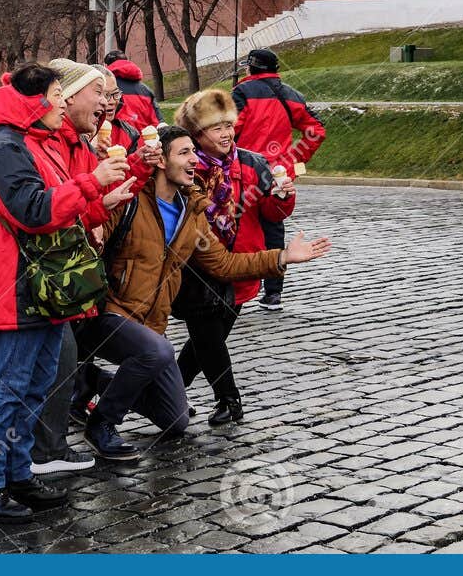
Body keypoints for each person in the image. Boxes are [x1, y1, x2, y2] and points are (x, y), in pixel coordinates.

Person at [78, 125, 329, 462]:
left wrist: (282, 257)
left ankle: (92, 379)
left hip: (152, 322)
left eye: (193, 152)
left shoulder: (192, 212)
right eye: (185, 153)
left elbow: (223, 265)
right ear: (161, 160)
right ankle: (102, 424)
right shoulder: (129, 199)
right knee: (156, 351)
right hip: (111, 312)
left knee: (176, 419)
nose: (195, 159)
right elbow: (89, 233)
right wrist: (95, 220)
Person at [0, 64, 131, 524]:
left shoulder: (32, 141)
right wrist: (94, 183)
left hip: (46, 286)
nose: (61, 102)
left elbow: (59, 201)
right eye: (57, 94)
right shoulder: (7, 146)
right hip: (19, 285)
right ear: (35, 101)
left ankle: (17, 472)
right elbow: (34, 211)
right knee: (8, 387)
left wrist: (101, 193)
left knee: (36, 384)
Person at [172, 88, 296, 426]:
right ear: (197, 134)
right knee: (206, 336)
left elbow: (271, 214)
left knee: (208, 340)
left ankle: (171, 394)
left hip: (241, 265)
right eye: (217, 128)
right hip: (196, 266)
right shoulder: (185, 165)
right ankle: (228, 399)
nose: (226, 134)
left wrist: (282, 197)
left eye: (229, 126)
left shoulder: (253, 162)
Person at [232, 47, 325, 311]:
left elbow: (231, 130)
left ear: (250, 69)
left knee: (236, 225)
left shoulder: (241, 93)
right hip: (277, 173)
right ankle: (274, 292)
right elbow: (316, 130)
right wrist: (295, 160)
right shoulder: (291, 95)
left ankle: (234, 285)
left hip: (246, 171)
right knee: (273, 228)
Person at [103, 51, 158, 130]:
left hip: (114, 140)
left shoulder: (103, 87)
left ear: (106, 66)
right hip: (144, 141)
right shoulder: (146, 90)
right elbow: (157, 122)